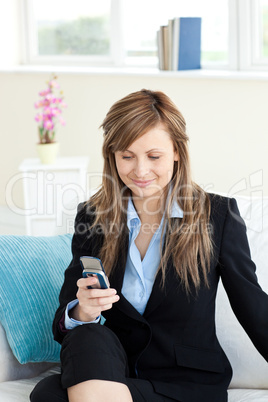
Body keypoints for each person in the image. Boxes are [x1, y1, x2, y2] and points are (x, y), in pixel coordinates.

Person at [30, 89, 268, 402]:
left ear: (177, 152)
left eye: (154, 156)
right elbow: (65, 319)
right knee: (86, 334)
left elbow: (252, 304)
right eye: (126, 156)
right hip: (116, 372)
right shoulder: (92, 216)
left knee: (50, 395)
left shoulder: (217, 215)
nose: (140, 171)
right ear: (112, 155)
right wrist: (82, 311)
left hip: (186, 383)